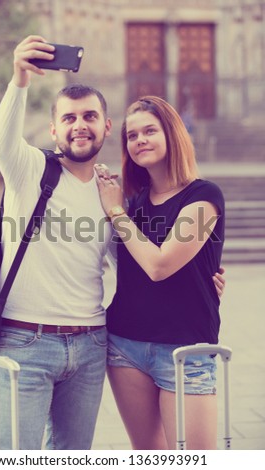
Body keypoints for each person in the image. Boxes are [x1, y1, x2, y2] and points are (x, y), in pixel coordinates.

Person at [0, 35, 225, 450]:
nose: (79, 125)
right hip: (35, 341)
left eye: (90, 116)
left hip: (95, 343)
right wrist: (19, 77)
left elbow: (145, 264)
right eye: (69, 118)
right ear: (53, 128)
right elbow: (2, 142)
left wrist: (203, 276)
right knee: (14, 456)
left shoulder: (119, 197)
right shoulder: (31, 170)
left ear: (105, 125)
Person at [95, 96, 225, 450]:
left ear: (172, 133)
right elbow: (128, 266)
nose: (139, 141)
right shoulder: (134, 202)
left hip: (185, 347)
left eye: (149, 131)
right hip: (125, 346)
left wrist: (115, 212)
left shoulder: (203, 195)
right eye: (132, 135)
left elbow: (159, 265)